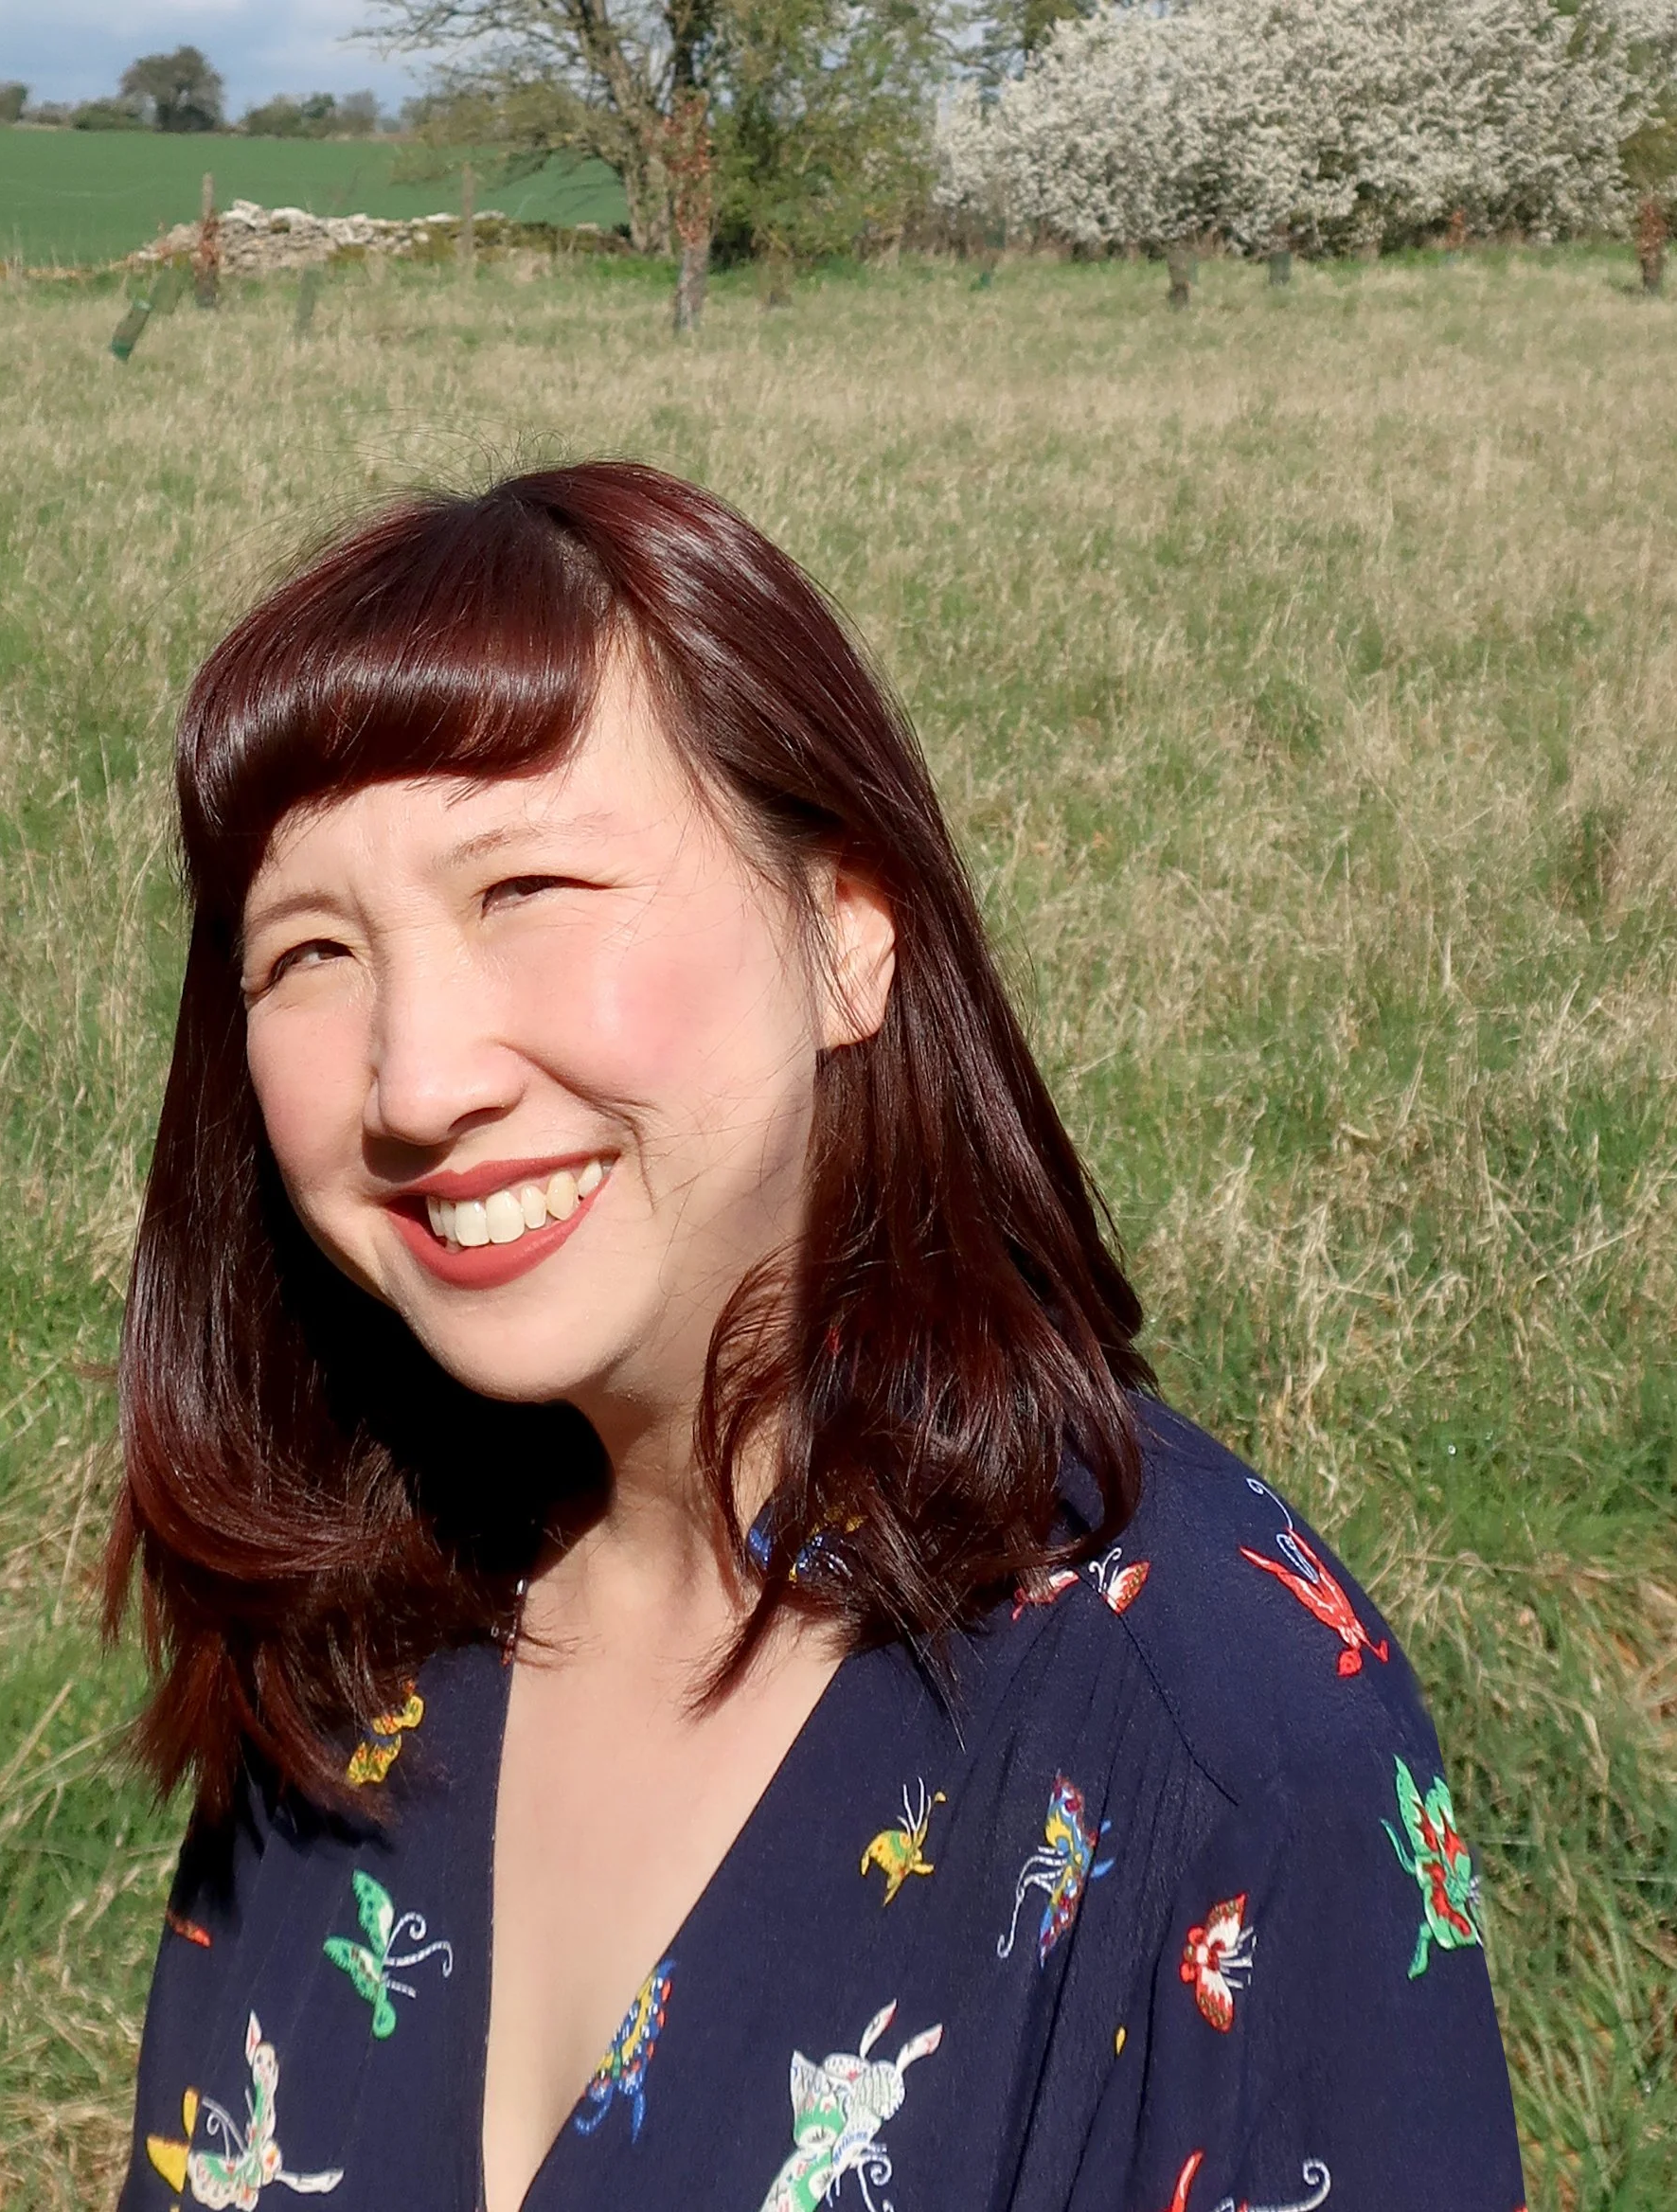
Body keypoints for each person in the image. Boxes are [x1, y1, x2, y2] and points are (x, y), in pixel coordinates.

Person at [109, 463, 1525, 2212]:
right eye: (307, 951)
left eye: (528, 890)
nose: (416, 1081)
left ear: (850, 927)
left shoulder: (1210, 1731)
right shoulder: (351, 1635)